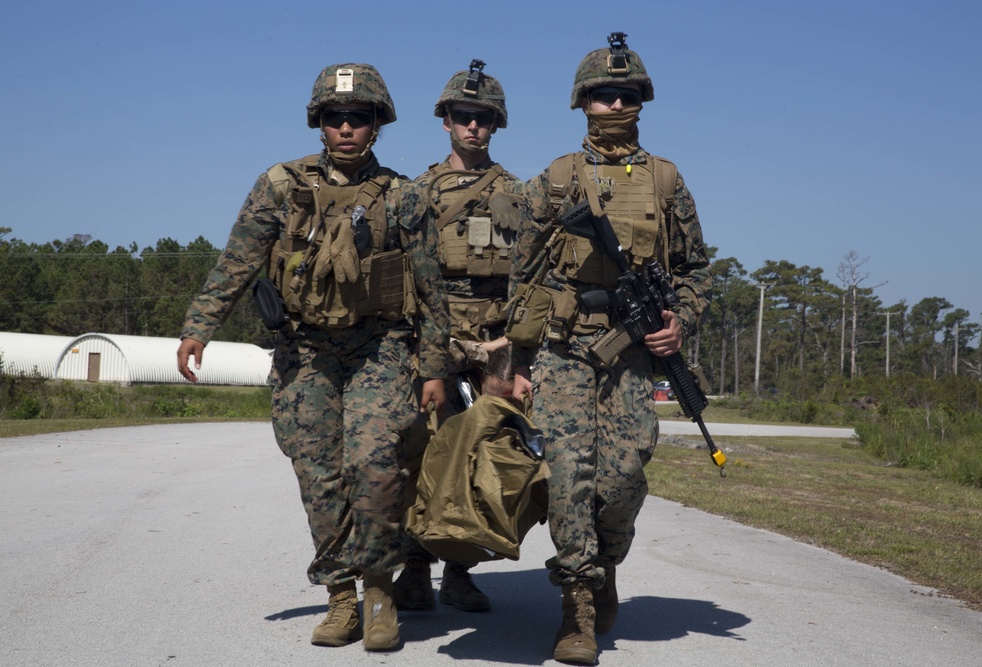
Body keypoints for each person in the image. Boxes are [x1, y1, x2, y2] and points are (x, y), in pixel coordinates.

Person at [176, 63, 449, 653]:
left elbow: (430, 289)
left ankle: (379, 590)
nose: (346, 127)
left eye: (358, 117)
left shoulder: (404, 196)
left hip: (380, 348)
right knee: (318, 475)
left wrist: (434, 368)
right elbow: (238, 261)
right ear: (318, 123)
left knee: (375, 465)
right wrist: (199, 326)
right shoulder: (280, 185)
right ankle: (340, 596)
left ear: (378, 124)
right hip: (305, 352)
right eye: (334, 117)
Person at [507, 33, 713, 665]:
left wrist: (681, 322)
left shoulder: (667, 180)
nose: (614, 104)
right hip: (567, 349)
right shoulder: (558, 178)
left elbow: (698, 270)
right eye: (602, 96)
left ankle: (607, 561)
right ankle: (577, 605)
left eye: (625, 94)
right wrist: (515, 359)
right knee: (569, 476)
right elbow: (522, 267)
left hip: (631, 355)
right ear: (582, 103)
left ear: (641, 100)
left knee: (622, 480)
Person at [393, 59, 524, 614]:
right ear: (445, 120)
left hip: (496, 346)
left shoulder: (520, 195)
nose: (473, 126)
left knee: (482, 459)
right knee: (420, 454)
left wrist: (511, 348)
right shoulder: (414, 193)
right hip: (432, 342)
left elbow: (532, 279)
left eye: (483, 118)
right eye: (463, 116)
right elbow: (399, 278)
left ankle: (462, 571)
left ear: (495, 126)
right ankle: (415, 569)